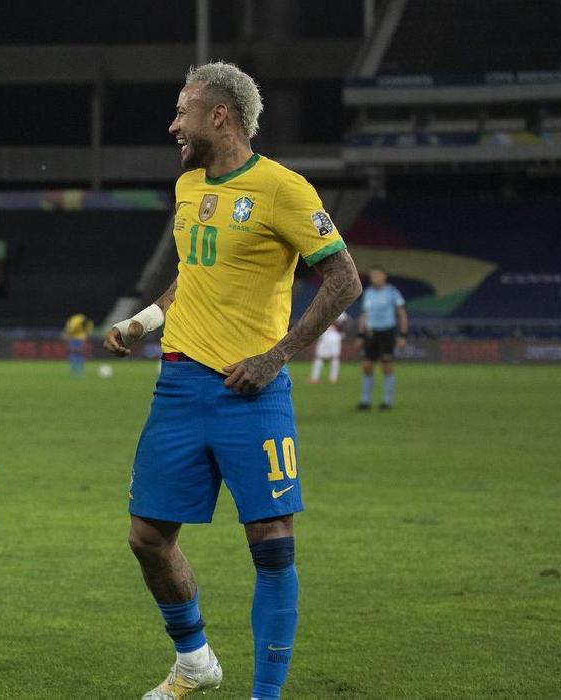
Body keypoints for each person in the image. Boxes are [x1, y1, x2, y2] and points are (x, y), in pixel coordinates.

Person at [104, 62, 361, 700]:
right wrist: (142, 322)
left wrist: (277, 357)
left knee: (271, 542)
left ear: (219, 115)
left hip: (251, 392)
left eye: (182, 110)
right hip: (179, 387)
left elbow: (343, 279)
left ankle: (265, 695)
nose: (174, 124)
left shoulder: (283, 189)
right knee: (147, 537)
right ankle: (194, 661)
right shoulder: (189, 185)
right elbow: (193, 273)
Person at [356, 266, 407, 410]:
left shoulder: (392, 292)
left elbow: (402, 313)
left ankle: (387, 401)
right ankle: (365, 401)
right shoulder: (368, 293)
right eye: (373, 276)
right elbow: (364, 314)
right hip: (371, 333)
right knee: (366, 365)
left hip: (387, 332)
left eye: (378, 275)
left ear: (384, 276)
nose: (375, 278)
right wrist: (360, 334)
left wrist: (403, 334)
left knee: (387, 366)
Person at [308, 312, 349, 384]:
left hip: (332, 335)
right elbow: (347, 323)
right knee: (331, 358)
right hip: (330, 335)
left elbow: (346, 323)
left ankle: (317, 379)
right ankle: (331, 379)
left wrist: (338, 328)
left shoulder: (336, 311)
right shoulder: (339, 311)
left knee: (324, 357)